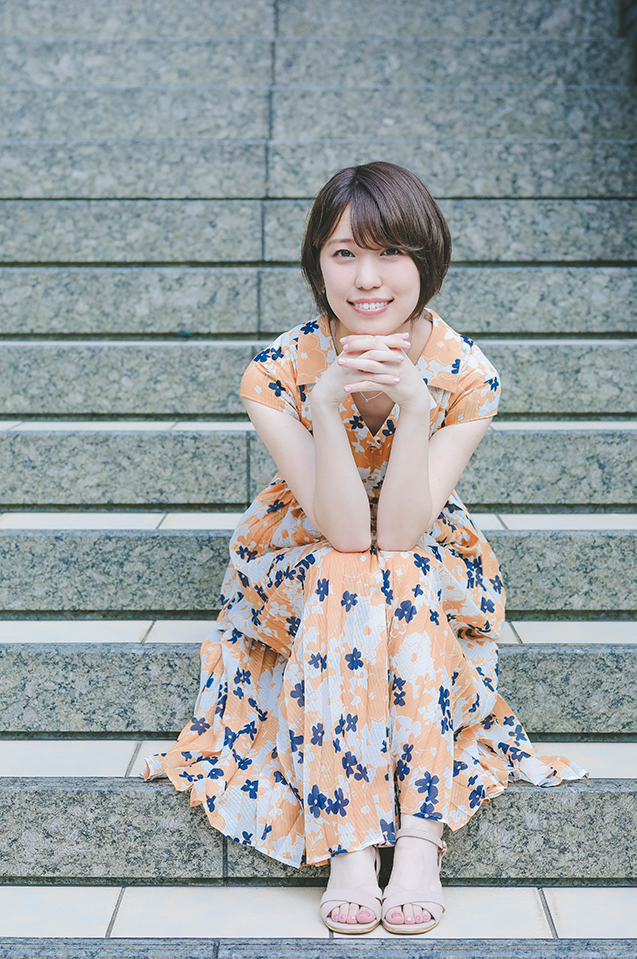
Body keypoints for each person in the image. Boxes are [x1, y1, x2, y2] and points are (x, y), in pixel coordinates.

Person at [142, 162, 586, 936]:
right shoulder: (277, 373)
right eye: (344, 253)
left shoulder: (466, 375)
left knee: (398, 568)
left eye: (389, 253)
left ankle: (416, 839)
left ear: (426, 259)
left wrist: (414, 406)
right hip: (302, 552)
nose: (367, 278)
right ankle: (350, 842)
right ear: (317, 262)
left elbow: (402, 532)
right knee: (350, 567)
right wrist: (323, 406)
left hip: (423, 552)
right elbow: (346, 532)